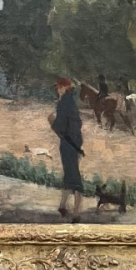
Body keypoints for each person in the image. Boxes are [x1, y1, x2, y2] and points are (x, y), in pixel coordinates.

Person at [49, 76, 84, 223]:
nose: (57, 89)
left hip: (68, 143)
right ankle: (63, 206)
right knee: (69, 174)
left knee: (73, 176)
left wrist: (51, 122)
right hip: (73, 142)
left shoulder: (64, 103)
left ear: (65, 87)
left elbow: (60, 127)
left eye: (59, 87)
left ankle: (76, 212)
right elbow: (78, 123)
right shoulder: (70, 101)